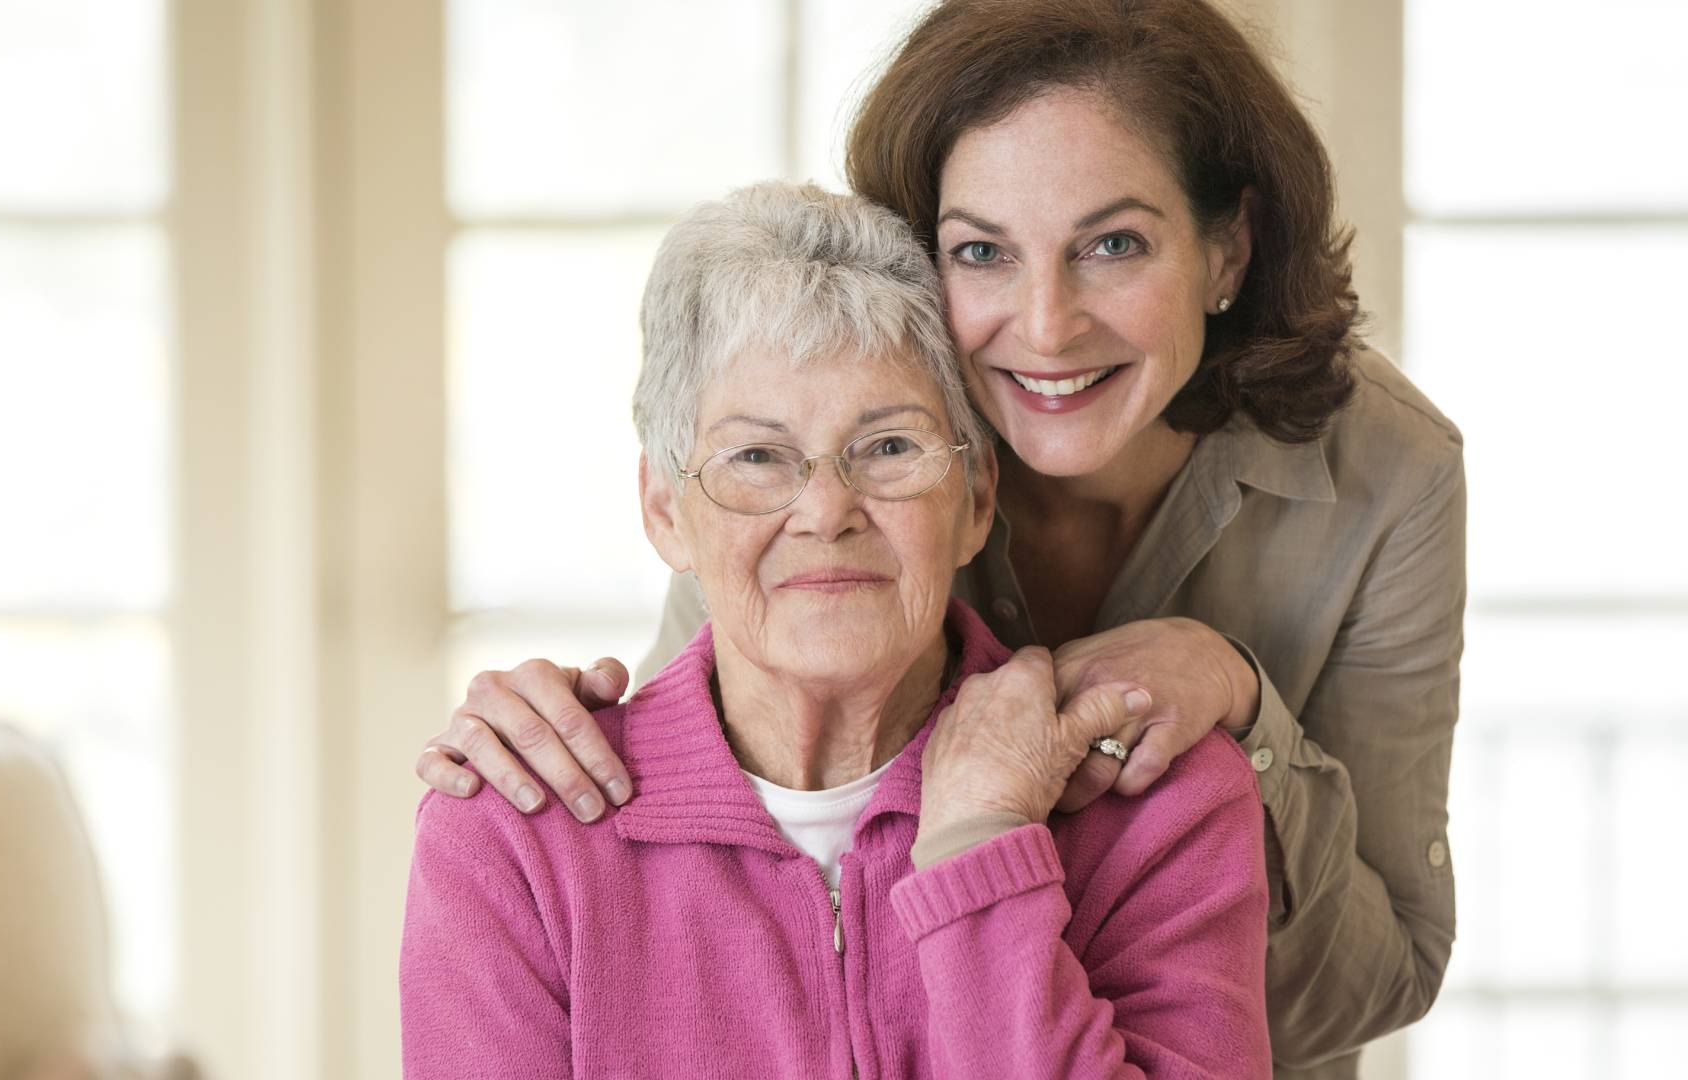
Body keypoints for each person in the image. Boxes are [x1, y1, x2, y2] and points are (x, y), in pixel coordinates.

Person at [417, 2, 1463, 1077]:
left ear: (1225, 246)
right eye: (982, 251)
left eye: (1114, 244)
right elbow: (700, 854)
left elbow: (1383, 974)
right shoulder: (828, 476)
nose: (1048, 324)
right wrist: (535, 757)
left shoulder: (1386, 472)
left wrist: (1226, 705)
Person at [401, 181, 1270, 1078]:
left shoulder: (1160, 800)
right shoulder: (515, 834)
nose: (826, 510)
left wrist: (982, 845)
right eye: (757, 457)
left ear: (975, 499)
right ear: (665, 511)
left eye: (890, 447)